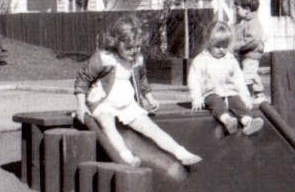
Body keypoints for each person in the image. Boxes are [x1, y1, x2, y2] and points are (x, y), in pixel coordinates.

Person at [74, 16, 201, 168]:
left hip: (127, 102)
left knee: (151, 128)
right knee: (107, 125)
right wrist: (81, 106)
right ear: (116, 42)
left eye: (137, 47)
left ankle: (181, 152)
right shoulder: (104, 58)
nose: (134, 52)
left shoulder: (137, 59)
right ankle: (125, 154)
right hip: (103, 102)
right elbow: (83, 81)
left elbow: (142, 80)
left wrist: (150, 97)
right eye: (129, 48)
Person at [188, 21, 264, 136]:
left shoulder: (230, 60)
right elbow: (194, 80)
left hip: (229, 92)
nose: (222, 50)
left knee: (238, 102)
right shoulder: (201, 60)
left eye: (225, 46)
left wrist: (245, 97)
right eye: (217, 46)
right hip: (210, 93)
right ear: (209, 43)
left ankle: (248, 122)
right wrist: (197, 98)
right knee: (217, 103)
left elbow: (239, 80)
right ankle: (227, 120)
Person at [232, 0, 266, 105]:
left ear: (247, 10)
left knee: (246, 76)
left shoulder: (254, 23)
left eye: (237, 9)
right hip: (245, 54)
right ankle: (259, 93)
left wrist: (237, 46)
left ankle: (245, 97)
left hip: (251, 54)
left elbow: (252, 40)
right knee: (252, 74)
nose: (236, 12)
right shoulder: (244, 22)